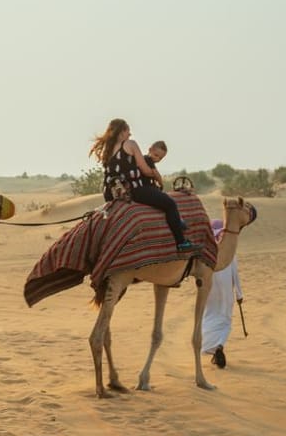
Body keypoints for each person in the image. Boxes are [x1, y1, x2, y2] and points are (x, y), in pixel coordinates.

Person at [90, 119, 198, 253]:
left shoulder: (108, 149)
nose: (130, 134)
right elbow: (145, 170)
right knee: (170, 204)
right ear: (122, 131)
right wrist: (157, 177)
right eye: (128, 131)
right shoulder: (130, 144)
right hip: (133, 190)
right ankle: (181, 242)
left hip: (110, 194)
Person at [201, 218, 243, 368]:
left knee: (209, 316)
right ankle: (219, 345)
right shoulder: (229, 252)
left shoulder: (207, 251)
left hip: (210, 290)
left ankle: (210, 346)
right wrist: (239, 294)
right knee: (225, 320)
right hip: (226, 292)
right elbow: (235, 274)